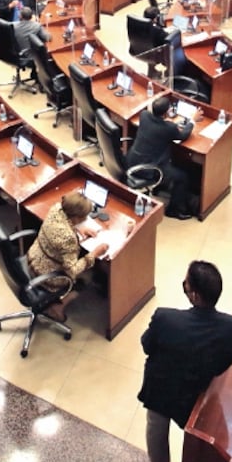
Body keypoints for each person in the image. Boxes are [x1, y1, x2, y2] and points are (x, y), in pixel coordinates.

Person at [138, 260, 232, 462]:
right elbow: (224, 363)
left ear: (194, 295)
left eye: (186, 282)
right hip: (198, 395)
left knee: (156, 434)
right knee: (195, 445)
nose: (184, 285)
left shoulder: (165, 318)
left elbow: (146, 344)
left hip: (160, 391)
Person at [25, 192, 107, 323]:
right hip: (47, 276)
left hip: (33, 258)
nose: (85, 220)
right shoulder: (67, 238)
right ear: (76, 217)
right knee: (89, 274)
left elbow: (62, 229)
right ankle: (58, 307)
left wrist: (78, 231)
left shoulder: (56, 209)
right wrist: (95, 253)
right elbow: (72, 270)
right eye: (84, 217)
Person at [127, 96, 194, 220]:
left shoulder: (144, 115)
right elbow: (183, 135)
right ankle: (173, 210)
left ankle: (160, 188)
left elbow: (149, 111)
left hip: (131, 160)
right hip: (148, 169)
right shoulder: (169, 128)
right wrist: (192, 121)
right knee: (183, 177)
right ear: (167, 112)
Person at [12, 7, 50, 77]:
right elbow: (48, 37)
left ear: (20, 16)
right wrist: (36, 22)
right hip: (31, 57)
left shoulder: (13, 26)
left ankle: (34, 73)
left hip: (15, 53)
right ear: (31, 16)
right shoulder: (36, 26)